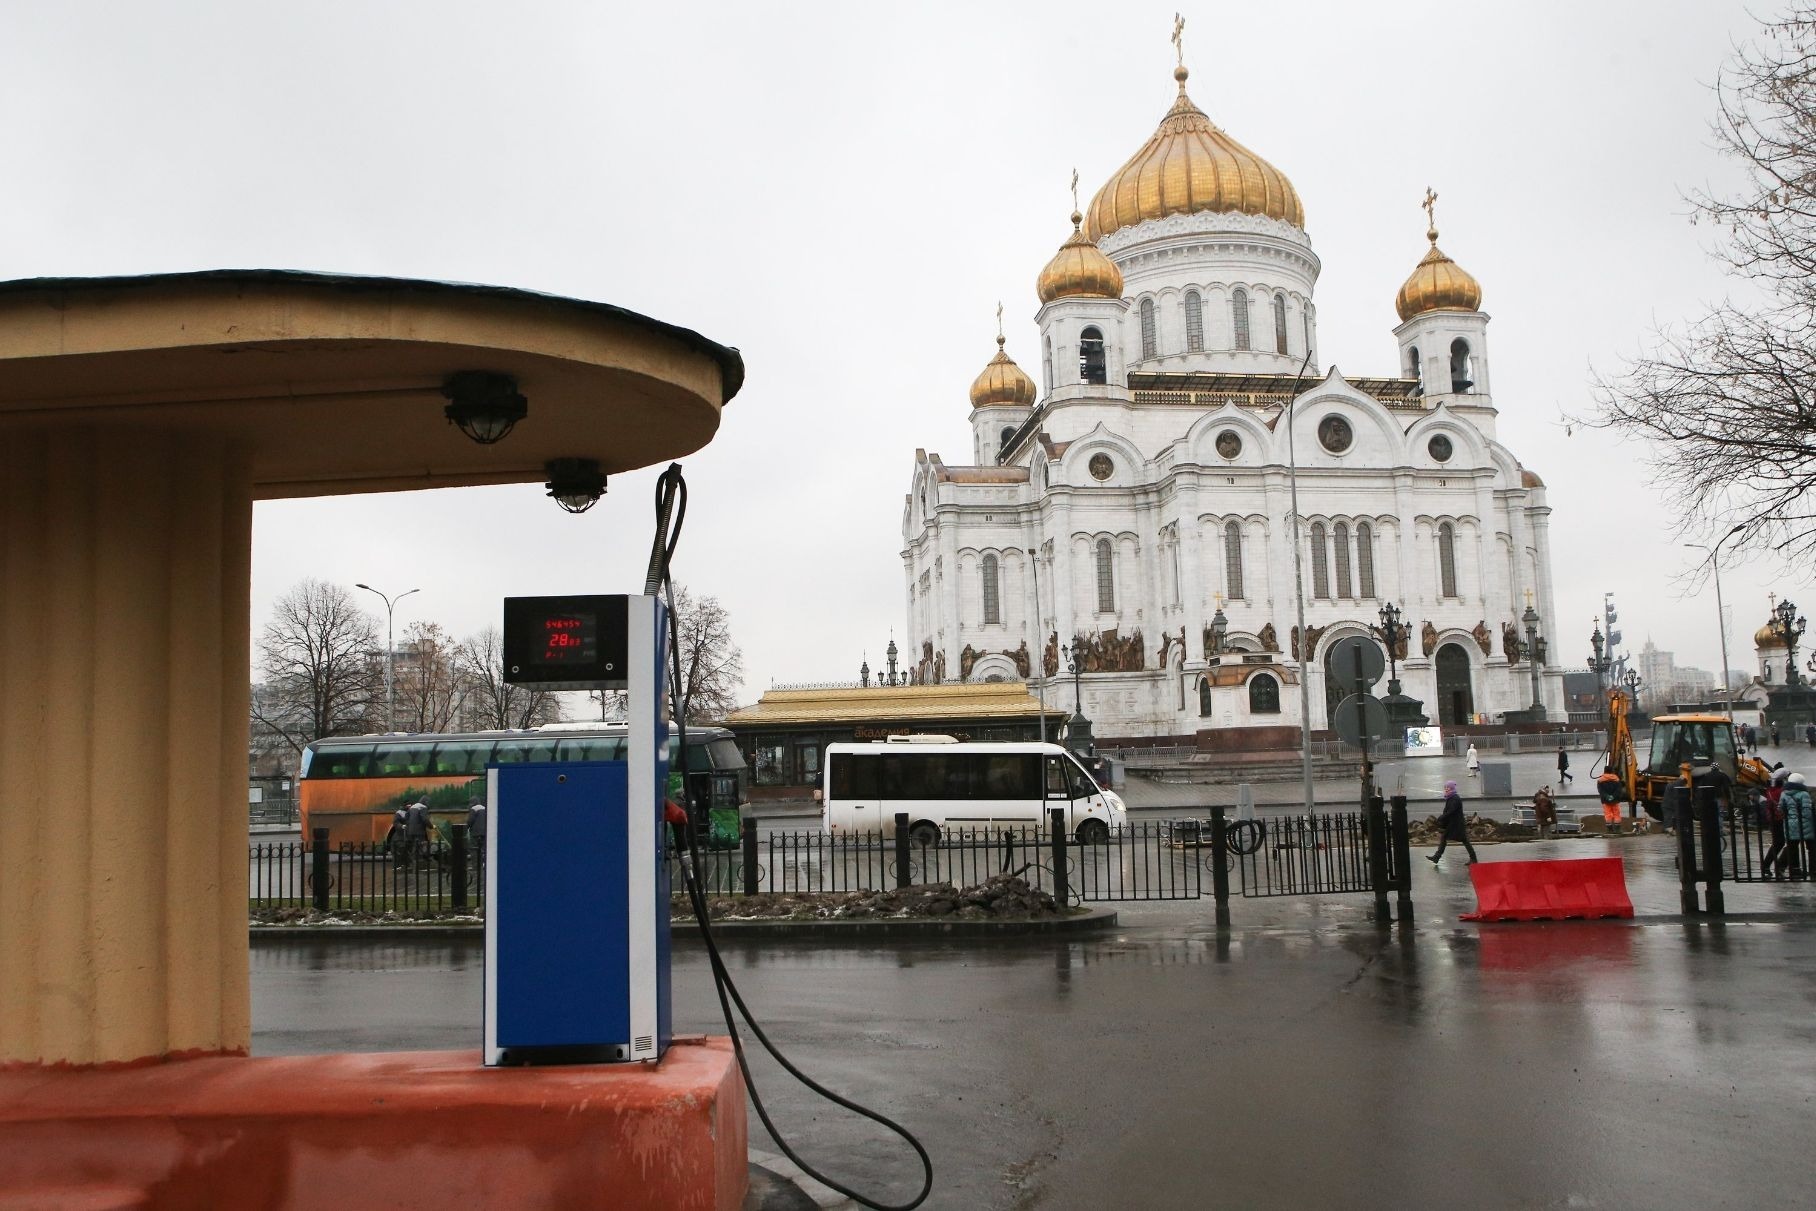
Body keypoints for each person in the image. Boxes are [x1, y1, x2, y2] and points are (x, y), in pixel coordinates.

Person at [1429, 780, 1478, 865]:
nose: (1446, 789)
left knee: (1464, 840)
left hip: (1456, 825)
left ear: (1452, 788)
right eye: (1445, 787)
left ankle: (1473, 859)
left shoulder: (1455, 798)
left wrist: (1442, 817)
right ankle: (1436, 857)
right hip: (1453, 824)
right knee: (1446, 838)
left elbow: (1451, 811)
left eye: (1448, 787)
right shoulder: (1450, 797)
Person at [1783, 772, 1814, 876]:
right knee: (1812, 847)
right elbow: (1807, 811)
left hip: (1789, 822)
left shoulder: (1784, 793)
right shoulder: (1804, 794)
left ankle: (1795, 870)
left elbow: (1781, 808)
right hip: (1805, 823)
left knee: (1792, 847)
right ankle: (1813, 870)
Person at [403, 799, 431, 867]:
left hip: (411, 831)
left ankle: (414, 862)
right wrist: (431, 826)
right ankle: (421, 863)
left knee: (415, 846)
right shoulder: (423, 807)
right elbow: (424, 819)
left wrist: (409, 825)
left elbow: (406, 817)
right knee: (421, 845)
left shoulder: (413, 807)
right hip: (419, 831)